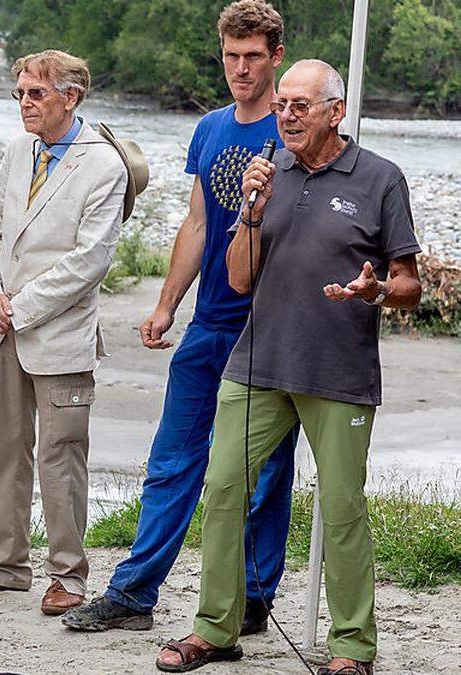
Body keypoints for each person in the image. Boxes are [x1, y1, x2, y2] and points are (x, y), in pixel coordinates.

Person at [155, 60, 422, 674]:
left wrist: (375, 289)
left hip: (339, 372)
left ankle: (352, 647)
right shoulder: (268, 176)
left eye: (303, 104)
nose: (289, 115)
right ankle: (216, 629)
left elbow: (409, 282)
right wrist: (251, 209)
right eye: (283, 106)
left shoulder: (380, 178)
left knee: (343, 506)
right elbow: (239, 276)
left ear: (337, 110)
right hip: (257, 365)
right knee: (222, 490)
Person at [63, 0, 297, 634]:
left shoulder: (294, 131)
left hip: (271, 330)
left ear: (276, 57)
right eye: (231, 56)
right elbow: (197, 222)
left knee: (263, 474)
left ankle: (252, 597)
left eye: (253, 57)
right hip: (210, 321)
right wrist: (167, 303)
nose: (241, 69)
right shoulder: (213, 128)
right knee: (173, 457)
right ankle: (135, 592)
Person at [0, 49, 129, 617]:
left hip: (60, 334)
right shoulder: (17, 151)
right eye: (19, 92)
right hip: (3, 330)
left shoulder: (104, 165)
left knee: (61, 456)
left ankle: (68, 576)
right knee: (2, 450)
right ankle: (3, 565)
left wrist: (17, 307)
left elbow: (89, 261)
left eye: (35, 94)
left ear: (70, 98)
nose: (24, 103)